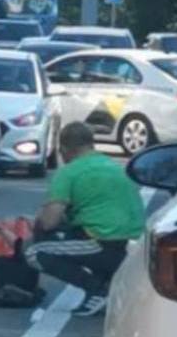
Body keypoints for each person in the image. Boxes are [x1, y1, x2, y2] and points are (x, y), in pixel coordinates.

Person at [27, 121, 145, 316]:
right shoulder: (114, 167)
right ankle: (107, 281)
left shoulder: (69, 172)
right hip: (132, 244)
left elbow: (49, 222)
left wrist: (39, 220)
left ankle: (97, 289)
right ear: (91, 145)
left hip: (101, 241)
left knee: (34, 251)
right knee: (75, 230)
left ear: (64, 149)